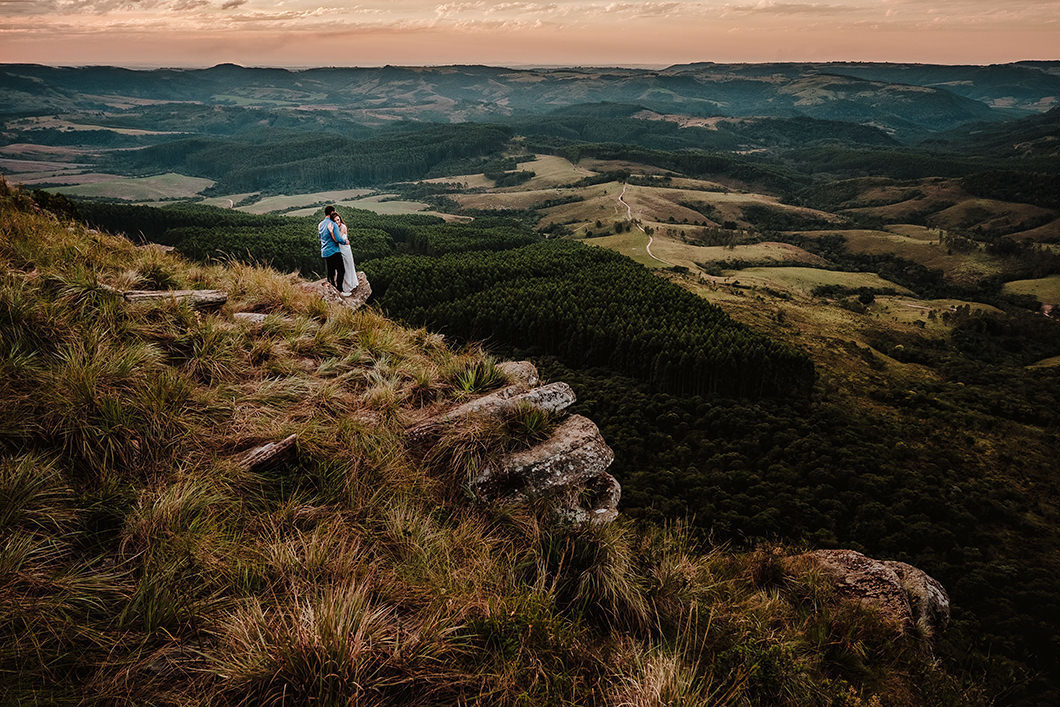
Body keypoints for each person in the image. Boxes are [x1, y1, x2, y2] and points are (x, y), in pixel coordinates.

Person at [319, 205, 349, 295]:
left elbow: (320, 237)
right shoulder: (333, 224)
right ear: (332, 213)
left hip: (325, 251)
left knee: (331, 272)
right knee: (341, 270)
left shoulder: (321, 224)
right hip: (334, 251)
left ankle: (331, 291)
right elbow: (338, 238)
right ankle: (340, 290)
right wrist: (345, 242)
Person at [331, 212, 359, 294]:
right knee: (342, 267)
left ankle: (350, 284)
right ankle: (343, 284)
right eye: (335, 221)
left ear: (340, 219)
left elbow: (337, 238)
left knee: (348, 266)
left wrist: (331, 232)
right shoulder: (336, 228)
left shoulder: (342, 227)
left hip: (345, 249)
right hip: (340, 250)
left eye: (338, 220)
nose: (337, 222)